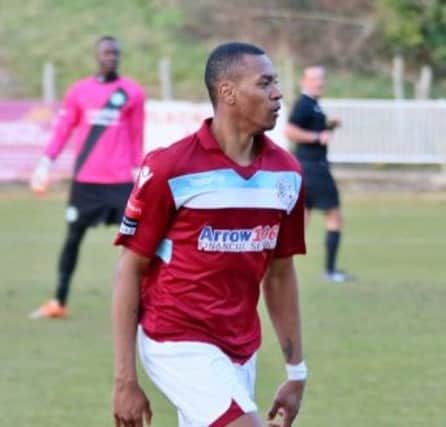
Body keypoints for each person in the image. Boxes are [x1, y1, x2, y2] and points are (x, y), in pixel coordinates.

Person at [112, 42, 307, 427]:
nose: (278, 93)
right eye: (265, 83)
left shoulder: (287, 174)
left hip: (240, 347)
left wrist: (296, 372)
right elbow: (130, 268)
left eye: (277, 83)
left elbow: (280, 274)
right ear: (228, 92)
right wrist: (125, 380)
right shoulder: (170, 168)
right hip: (176, 339)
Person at [29, 36, 145, 319]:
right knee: (72, 238)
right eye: (106, 53)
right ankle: (59, 301)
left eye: (115, 53)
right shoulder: (79, 91)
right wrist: (45, 163)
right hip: (85, 183)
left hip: (120, 183)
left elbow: (136, 135)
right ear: (97, 56)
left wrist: (138, 172)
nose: (111, 58)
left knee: (137, 244)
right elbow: (63, 129)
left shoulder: (132, 92)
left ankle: (145, 305)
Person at [285, 66, 352, 283]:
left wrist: (329, 126)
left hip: (306, 168)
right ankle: (330, 270)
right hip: (314, 168)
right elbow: (290, 130)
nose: (319, 83)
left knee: (301, 219)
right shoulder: (304, 104)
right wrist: (317, 136)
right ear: (303, 81)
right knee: (334, 215)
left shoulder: (313, 105)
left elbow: (317, 131)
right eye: (314, 79)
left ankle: (280, 268)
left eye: (321, 79)